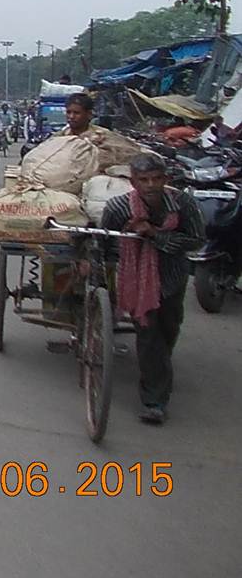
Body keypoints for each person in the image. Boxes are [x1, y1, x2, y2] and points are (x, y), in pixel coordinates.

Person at [100, 154, 204, 424]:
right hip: (135, 280)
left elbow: (196, 240)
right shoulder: (118, 207)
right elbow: (105, 243)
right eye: (144, 180)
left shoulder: (183, 204)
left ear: (165, 179)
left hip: (171, 277)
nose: (150, 185)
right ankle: (154, 401)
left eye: (156, 179)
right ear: (133, 182)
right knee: (148, 336)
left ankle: (160, 370)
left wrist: (156, 235)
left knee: (170, 328)